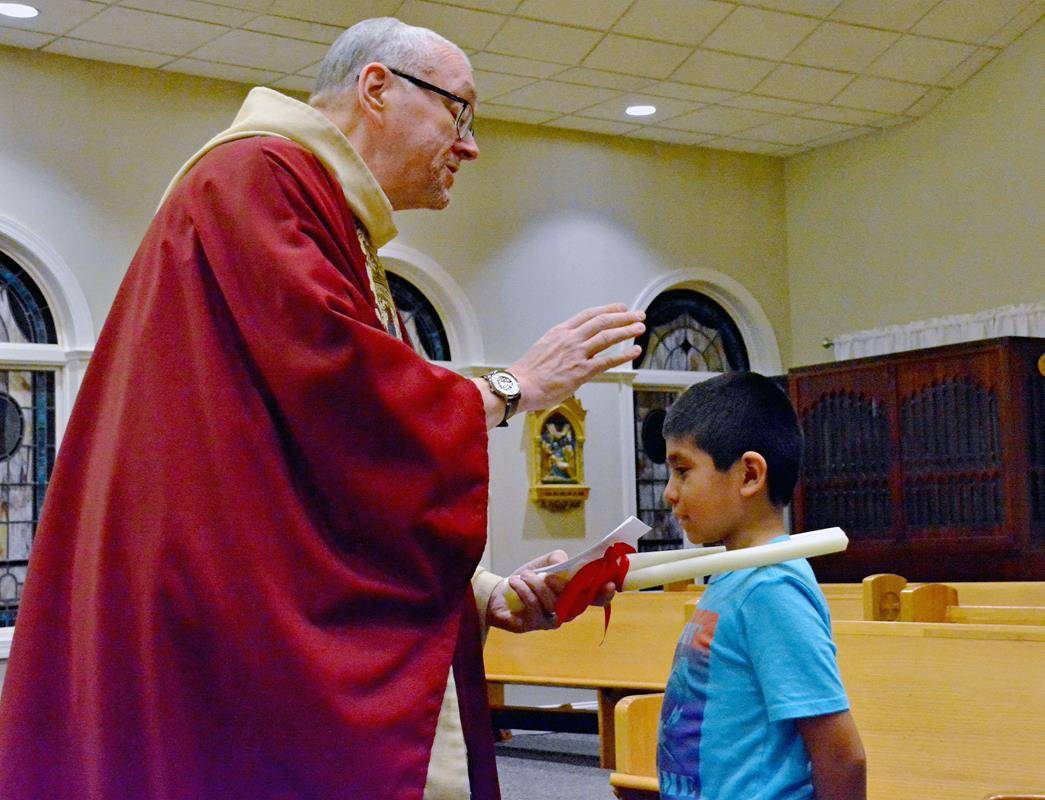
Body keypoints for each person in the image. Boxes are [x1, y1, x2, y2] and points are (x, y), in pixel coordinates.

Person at [0, 17, 645, 800]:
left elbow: (316, 488)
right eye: (460, 112)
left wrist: (483, 593)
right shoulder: (256, 178)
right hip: (219, 635)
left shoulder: (331, 221)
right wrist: (514, 389)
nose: (470, 146)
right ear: (377, 88)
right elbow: (338, 392)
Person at [656, 372, 866, 800]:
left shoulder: (771, 587)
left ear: (750, 474)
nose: (669, 494)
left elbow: (842, 755)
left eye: (682, 471)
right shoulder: (735, 575)